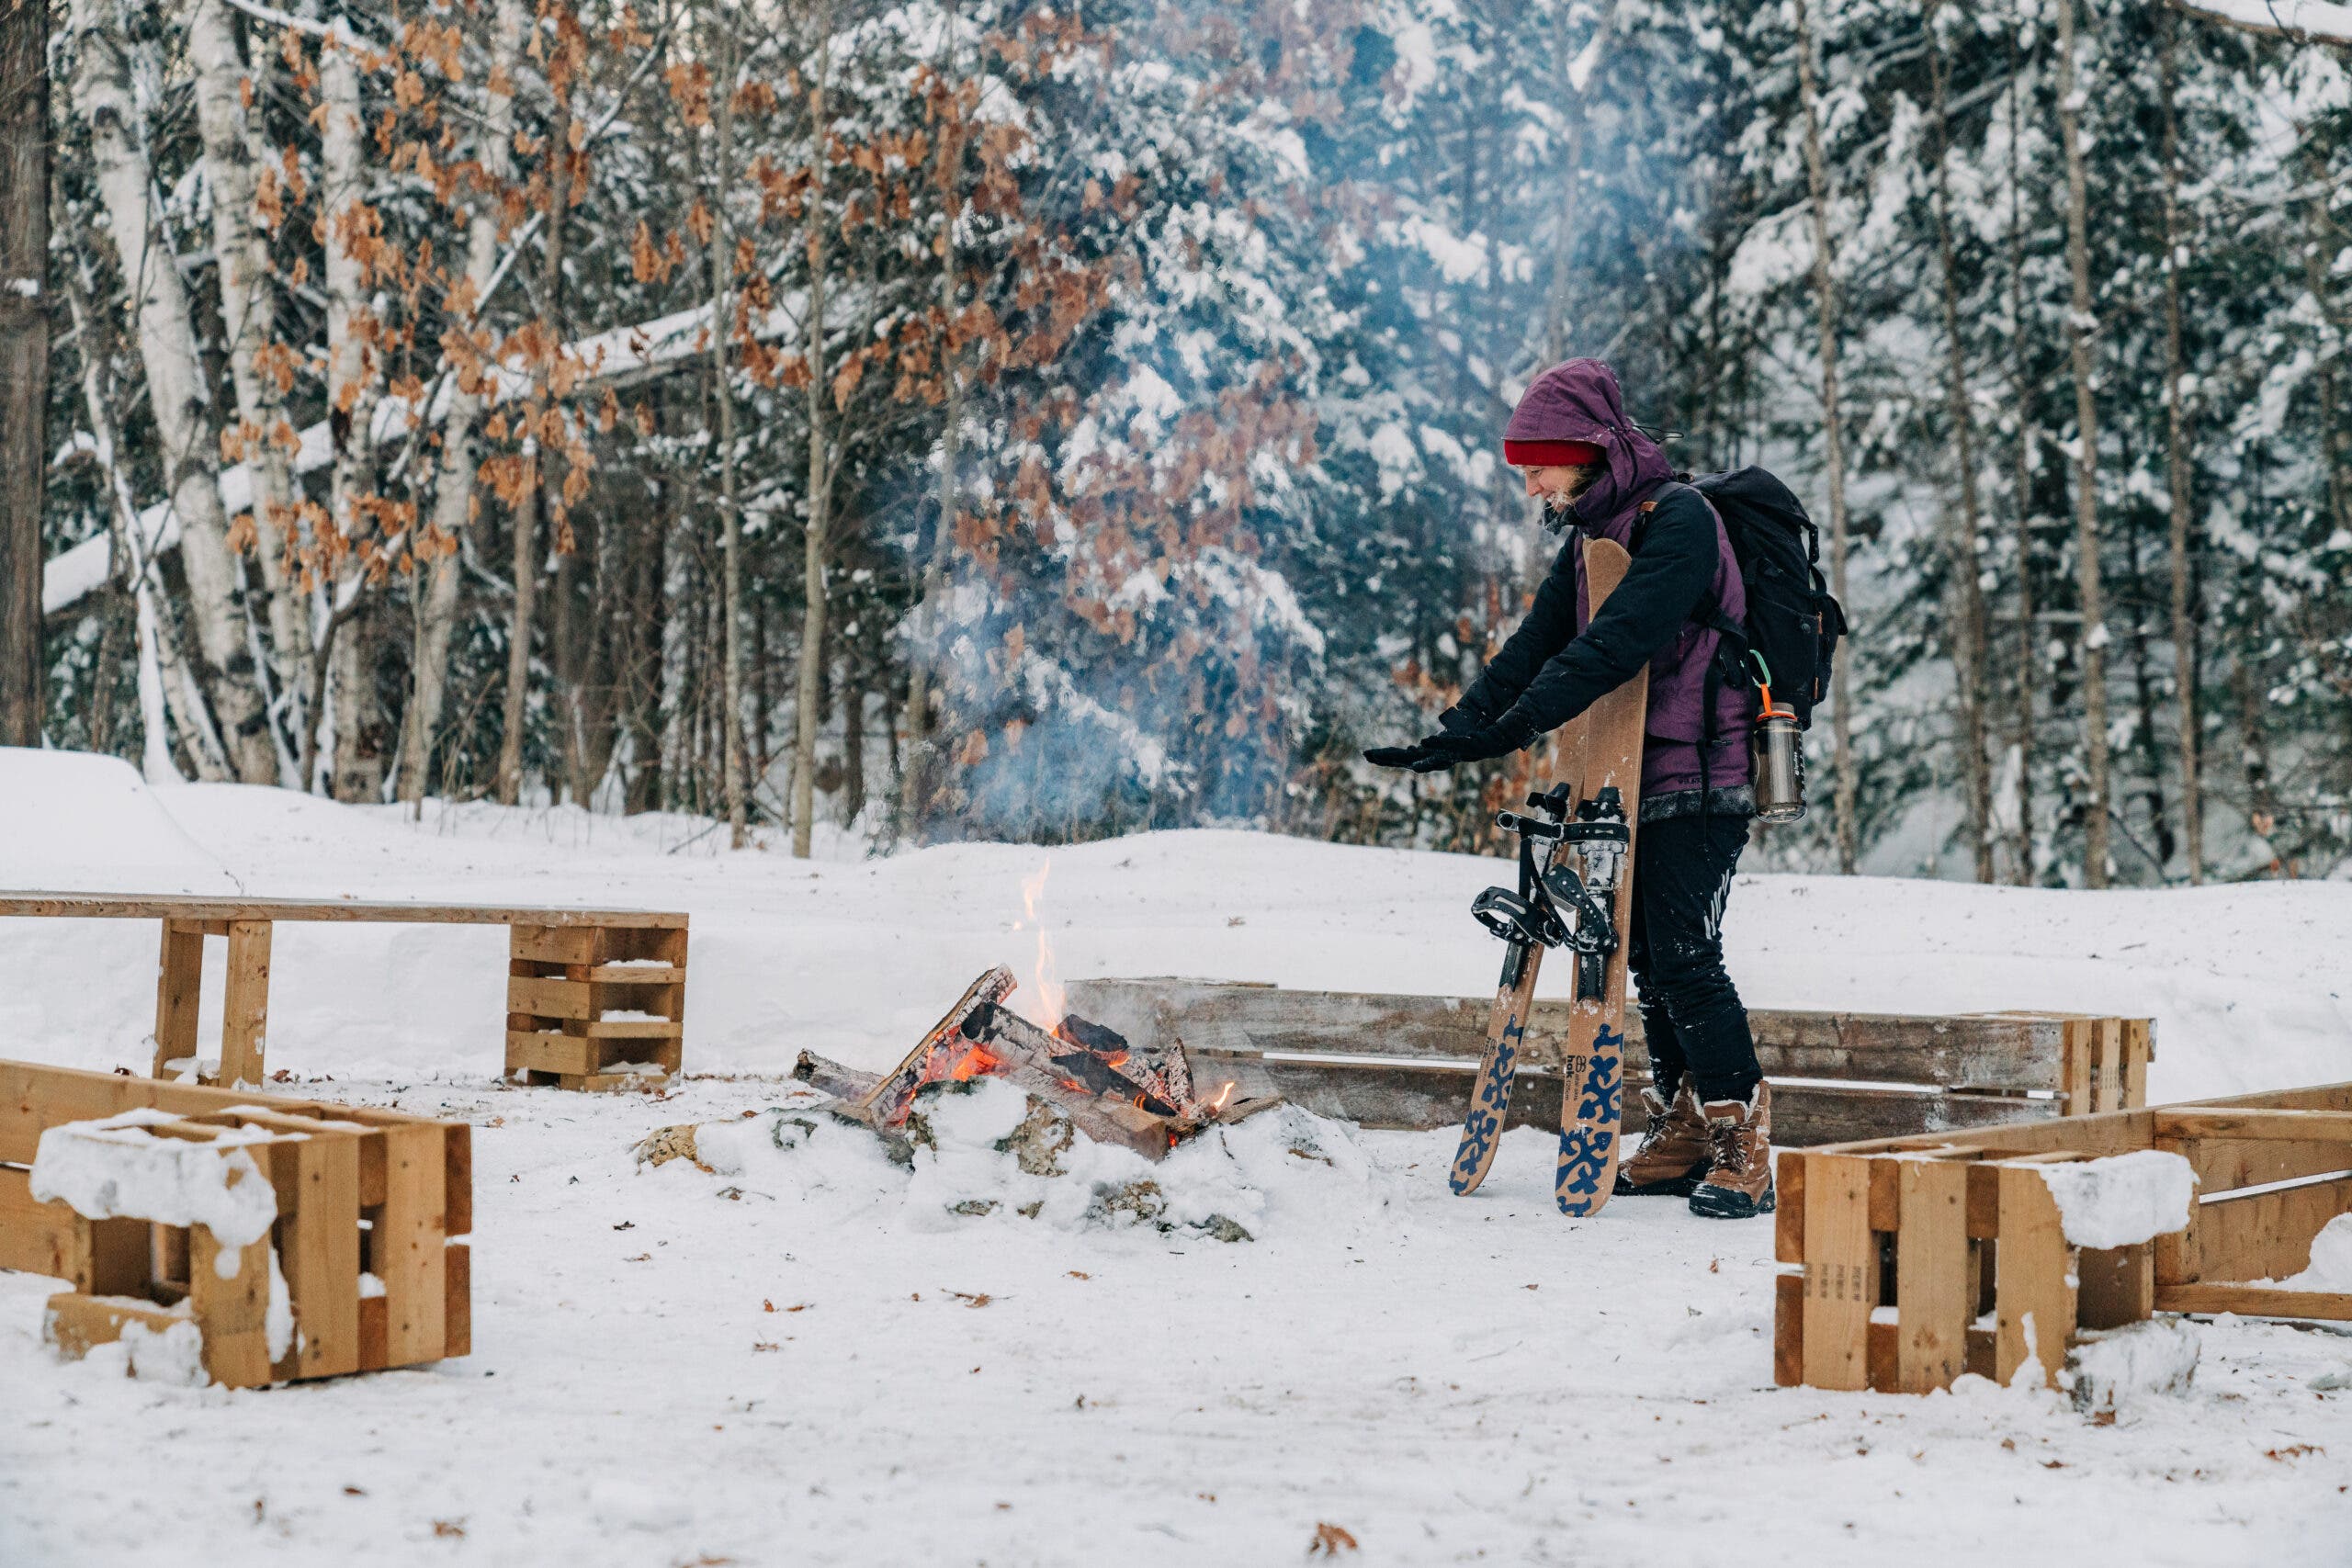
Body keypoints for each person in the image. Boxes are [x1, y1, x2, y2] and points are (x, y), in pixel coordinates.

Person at [1364, 358, 1772, 1219]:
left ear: (1582, 450)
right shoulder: (1589, 540)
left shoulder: (1683, 523)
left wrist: (1512, 728)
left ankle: (1744, 1138)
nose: (1531, 484)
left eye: (1538, 465)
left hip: (1706, 770)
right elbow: (1534, 647)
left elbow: (1612, 647)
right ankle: (1686, 1127)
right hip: (1627, 773)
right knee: (1652, 962)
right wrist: (1459, 731)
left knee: (1686, 952)